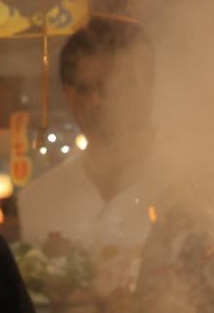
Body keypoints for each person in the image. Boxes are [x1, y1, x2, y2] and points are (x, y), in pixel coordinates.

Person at [16, 16, 159, 255]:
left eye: (109, 87)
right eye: (83, 89)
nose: (94, 102)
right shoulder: (38, 201)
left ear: (147, 87)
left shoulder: (190, 190)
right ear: (67, 93)